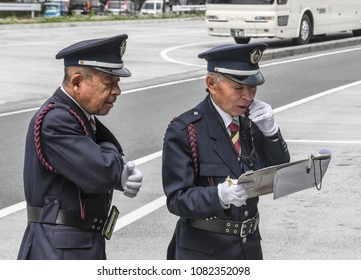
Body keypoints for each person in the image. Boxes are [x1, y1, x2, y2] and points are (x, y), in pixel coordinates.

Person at [17, 34, 143, 260]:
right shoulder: (57, 119)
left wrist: (118, 178)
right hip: (59, 251)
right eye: (109, 83)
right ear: (76, 83)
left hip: (73, 244)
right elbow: (100, 172)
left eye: (117, 83)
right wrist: (109, 152)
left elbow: (86, 170)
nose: (117, 91)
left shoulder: (78, 117)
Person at [162, 43, 290, 260]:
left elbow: (277, 171)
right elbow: (176, 199)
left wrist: (271, 132)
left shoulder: (252, 122)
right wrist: (219, 196)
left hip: (248, 248)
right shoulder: (186, 130)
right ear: (212, 83)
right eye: (238, 88)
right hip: (204, 252)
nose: (248, 96)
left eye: (253, 87)